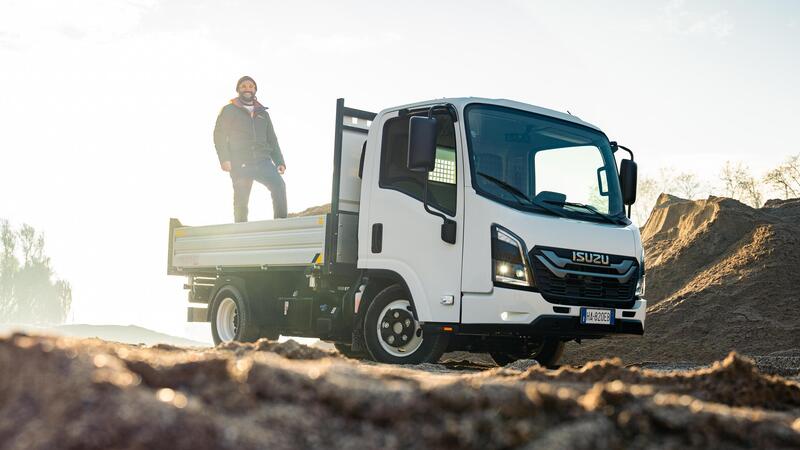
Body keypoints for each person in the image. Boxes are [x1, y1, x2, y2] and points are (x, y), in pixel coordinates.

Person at [213, 75, 287, 222]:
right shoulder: (229, 110)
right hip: (240, 162)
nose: (247, 89)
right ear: (238, 90)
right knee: (241, 201)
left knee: (279, 185)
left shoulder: (263, 114)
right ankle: (240, 231)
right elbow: (219, 136)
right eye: (244, 86)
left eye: (251, 86)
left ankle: (280, 223)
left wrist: (280, 162)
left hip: (263, 161)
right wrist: (224, 159)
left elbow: (272, 140)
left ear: (255, 90)